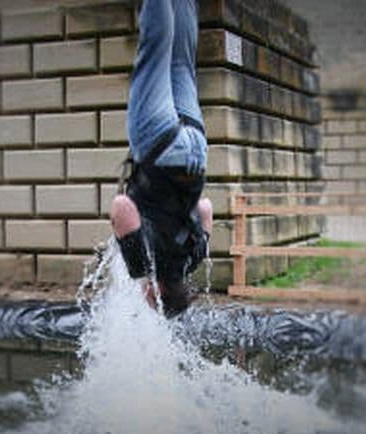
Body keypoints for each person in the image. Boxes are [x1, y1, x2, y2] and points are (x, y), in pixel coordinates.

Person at [110, 0, 212, 316]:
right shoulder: (145, 263)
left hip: (195, 151)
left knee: (181, 63)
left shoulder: (190, 259)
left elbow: (205, 208)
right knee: (155, 49)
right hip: (159, 149)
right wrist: (134, 261)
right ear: (156, 296)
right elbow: (121, 208)